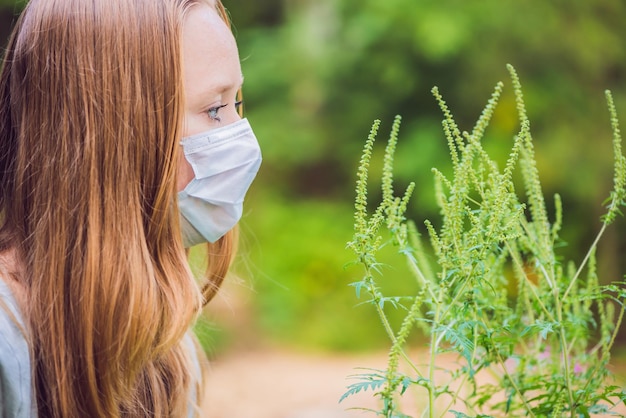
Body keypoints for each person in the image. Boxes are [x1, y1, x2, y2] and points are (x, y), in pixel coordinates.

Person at [0, 0, 261, 416]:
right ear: (116, 135)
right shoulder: (7, 345)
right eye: (214, 109)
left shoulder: (167, 348)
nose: (244, 140)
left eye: (237, 104)